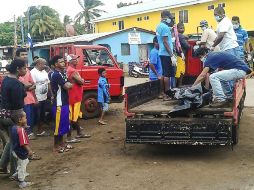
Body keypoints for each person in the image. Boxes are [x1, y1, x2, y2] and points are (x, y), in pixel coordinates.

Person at [0, 59, 27, 177]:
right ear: (18, 69)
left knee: (11, 141)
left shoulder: (6, 79)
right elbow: (17, 104)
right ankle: (14, 172)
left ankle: (2, 165)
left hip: (3, 114)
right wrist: (21, 121)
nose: (26, 70)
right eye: (24, 68)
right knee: (16, 143)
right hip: (13, 115)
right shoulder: (15, 83)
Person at [50, 55, 73, 153]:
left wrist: (69, 84)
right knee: (58, 125)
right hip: (59, 103)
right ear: (55, 64)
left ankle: (62, 143)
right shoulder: (56, 74)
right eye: (61, 62)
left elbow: (68, 84)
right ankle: (56, 146)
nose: (64, 63)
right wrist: (71, 84)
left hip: (64, 102)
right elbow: (67, 86)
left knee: (64, 124)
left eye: (64, 61)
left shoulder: (62, 73)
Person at [66, 54, 91, 142]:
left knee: (75, 116)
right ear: (70, 61)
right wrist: (82, 79)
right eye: (74, 59)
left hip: (75, 97)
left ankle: (79, 133)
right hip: (74, 97)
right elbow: (81, 81)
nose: (76, 60)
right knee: (72, 117)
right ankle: (69, 137)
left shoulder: (71, 70)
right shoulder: (72, 70)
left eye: (77, 58)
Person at [156, 10, 177, 101]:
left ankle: (167, 93)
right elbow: (165, 42)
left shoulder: (159, 26)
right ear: (165, 17)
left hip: (163, 52)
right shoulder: (164, 27)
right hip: (166, 53)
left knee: (166, 73)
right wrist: (171, 55)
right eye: (169, 17)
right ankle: (167, 94)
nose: (170, 19)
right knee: (167, 74)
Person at [16, 48, 37, 139]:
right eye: (22, 54)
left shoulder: (27, 69)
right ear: (17, 56)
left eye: (25, 54)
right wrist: (29, 86)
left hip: (30, 98)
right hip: (21, 100)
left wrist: (30, 88)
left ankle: (28, 132)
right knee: (23, 118)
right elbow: (24, 85)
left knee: (30, 117)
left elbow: (32, 84)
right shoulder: (15, 69)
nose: (25, 56)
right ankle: (25, 134)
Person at [11, 110, 33, 188]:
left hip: (15, 150)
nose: (26, 119)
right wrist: (29, 150)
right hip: (20, 152)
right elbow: (24, 143)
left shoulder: (14, 128)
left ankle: (16, 174)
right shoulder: (21, 130)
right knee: (23, 164)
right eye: (25, 118)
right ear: (20, 120)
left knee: (22, 162)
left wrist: (24, 126)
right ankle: (21, 181)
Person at [30, 58, 51, 136]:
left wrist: (51, 94)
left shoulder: (44, 71)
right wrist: (35, 99)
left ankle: (40, 130)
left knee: (42, 114)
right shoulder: (33, 72)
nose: (45, 66)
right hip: (37, 98)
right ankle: (34, 131)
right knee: (37, 115)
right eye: (44, 64)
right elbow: (33, 86)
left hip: (44, 97)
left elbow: (48, 83)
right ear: (38, 64)